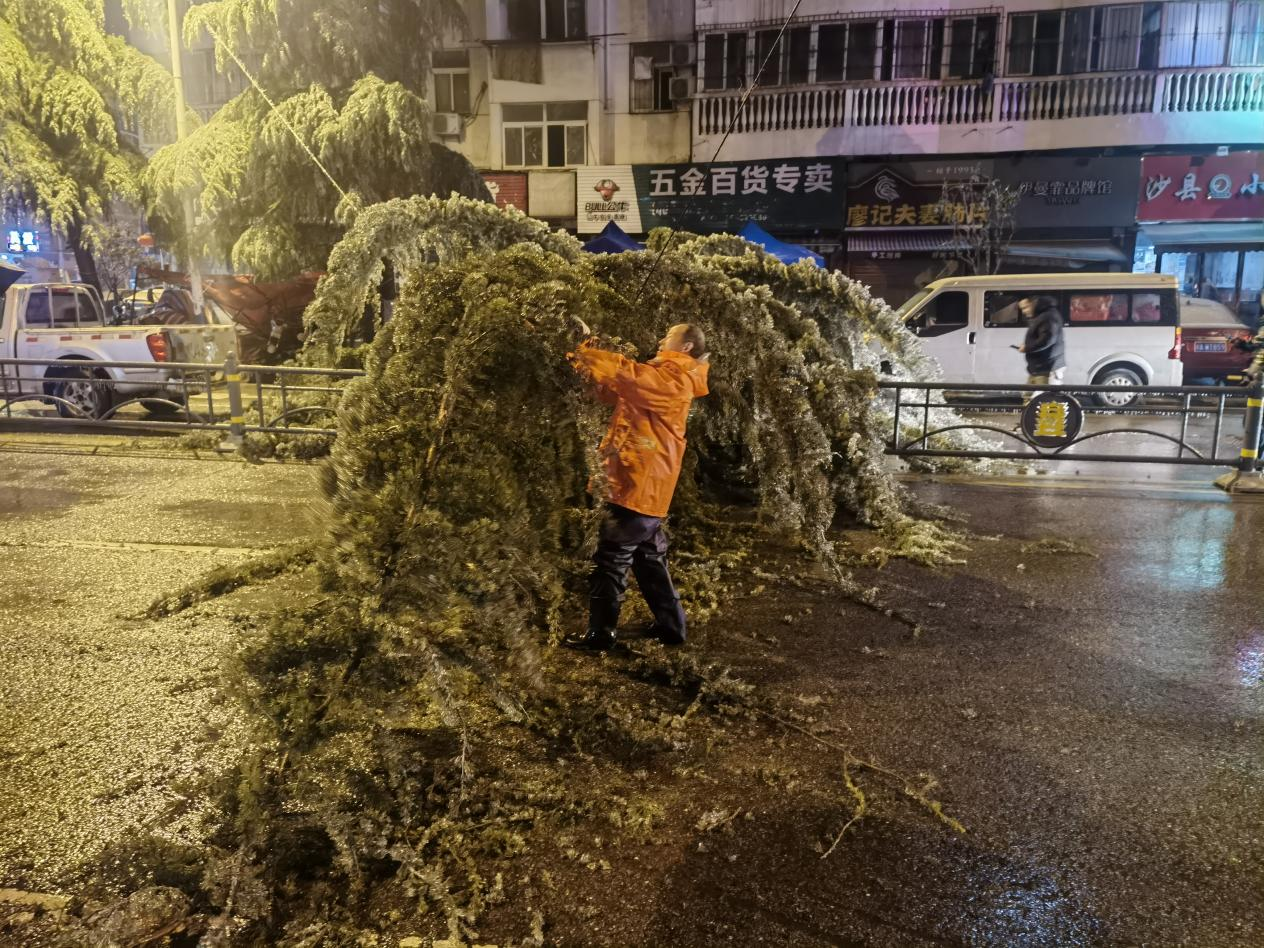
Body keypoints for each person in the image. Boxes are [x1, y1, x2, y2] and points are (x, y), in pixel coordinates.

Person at [566, 323, 710, 651]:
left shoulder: (674, 378)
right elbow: (610, 387)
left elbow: (627, 376)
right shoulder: (662, 375)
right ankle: (672, 627)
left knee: (611, 560)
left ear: (686, 347)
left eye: (669, 335)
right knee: (649, 559)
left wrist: (586, 350)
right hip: (643, 484)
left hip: (636, 483)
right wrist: (581, 351)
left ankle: (601, 635)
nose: (661, 338)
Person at [1018, 295, 1066, 390]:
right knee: (1032, 398)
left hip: (1047, 368)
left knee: (1043, 400)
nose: (1024, 312)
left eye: (1025, 307)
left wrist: (1027, 348)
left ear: (1034, 303)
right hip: (1041, 368)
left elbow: (1047, 340)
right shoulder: (1044, 315)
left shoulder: (1048, 317)